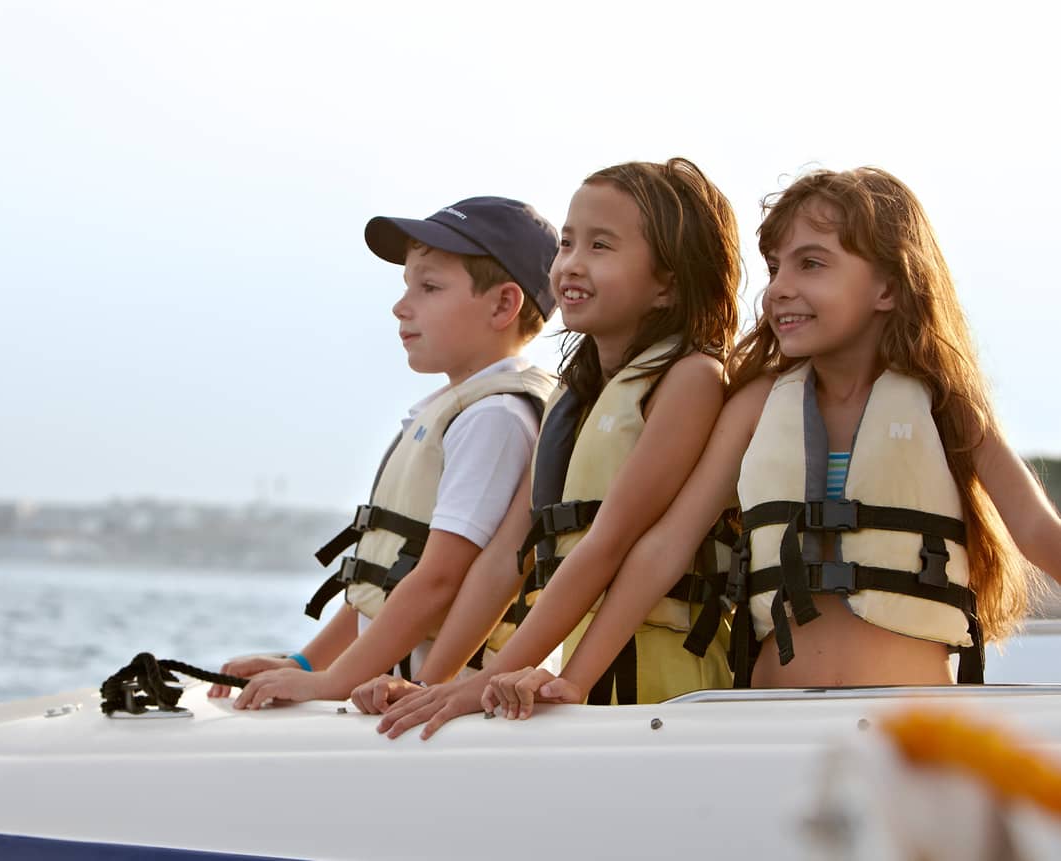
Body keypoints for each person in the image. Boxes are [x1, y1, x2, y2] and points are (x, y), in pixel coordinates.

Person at [457, 167, 1061, 726]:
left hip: (909, 724)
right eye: (775, 267)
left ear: (889, 287)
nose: (779, 290)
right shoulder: (755, 404)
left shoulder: (945, 404)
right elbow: (664, 546)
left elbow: (1036, 533)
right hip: (772, 717)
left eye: (812, 265)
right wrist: (577, 678)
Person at [370, 158, 743, 734]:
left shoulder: (690, 378)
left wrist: (515, 678)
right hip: (584, 679)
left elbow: (611, 540)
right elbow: (507, 557)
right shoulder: (575, 393)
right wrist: (436, 686)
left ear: (667, 281)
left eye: (601, 246)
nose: (571, 264)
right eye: (567, 244)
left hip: (668, 688)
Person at [205, 196, 559, 707]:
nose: (401, 306)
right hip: (389, 690)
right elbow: (388, 585)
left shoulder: (494, 419)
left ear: (503, 306)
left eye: (430, 287)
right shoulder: (456, 409)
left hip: (438, 703)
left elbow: (439, 579)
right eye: (407, 287)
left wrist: (331, 684)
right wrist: (307, 664)